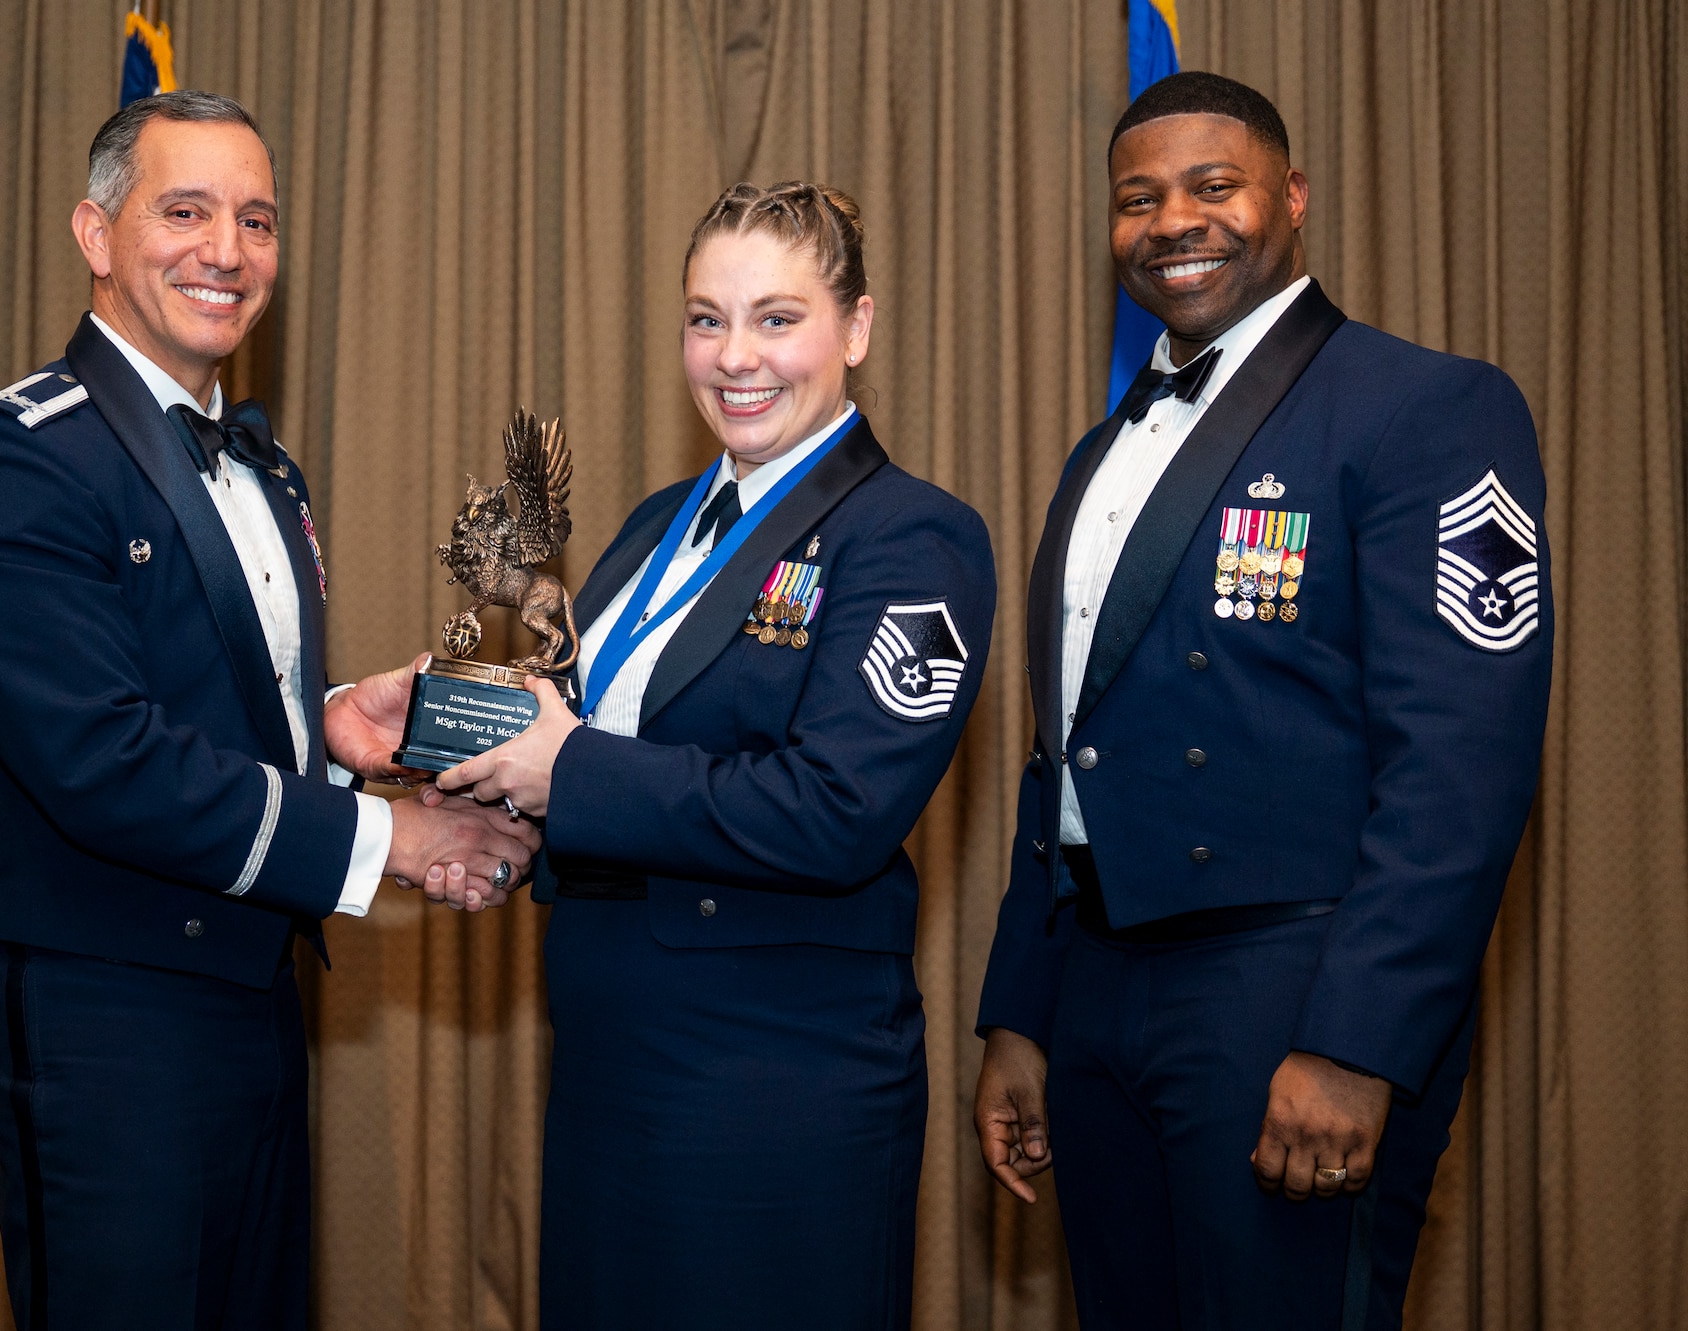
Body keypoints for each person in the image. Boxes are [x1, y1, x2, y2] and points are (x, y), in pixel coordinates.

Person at [0, 91, 539, 1330]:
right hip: (107, 1020)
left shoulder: (262, 463)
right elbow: (101, 756)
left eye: (256, 220)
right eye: (184, 211)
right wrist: (392, 841)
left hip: (250, 1001)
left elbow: (195, 701)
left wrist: (335, 726)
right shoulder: (16, 456)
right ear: (95, 233)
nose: (228, 250)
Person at [972, 72, 1552, 1329]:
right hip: (1098, 987)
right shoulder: (1101, 449)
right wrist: (1021, 1009)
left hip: (1288, 988)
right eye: (1137, 198)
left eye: (1210, 185)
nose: (1172, 218)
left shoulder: (1427, 407)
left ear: (1288, 198)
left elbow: (1460, 767)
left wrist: (1357, 1039)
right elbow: (1064, 747)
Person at [440, 182, 996, 1330]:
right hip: (611, 1068)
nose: (735, 356)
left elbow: (835, 808)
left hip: (773, 1089)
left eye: (776, 318)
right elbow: (575, 733)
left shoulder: (911, 535)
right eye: (706, 318)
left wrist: (568, 774)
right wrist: (433, 733)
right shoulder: (655, 524)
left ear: (856, 328)